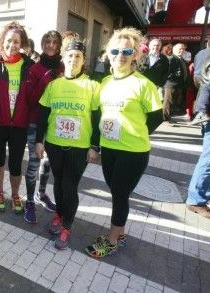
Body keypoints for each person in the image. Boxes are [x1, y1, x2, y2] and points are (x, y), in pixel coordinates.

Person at [85, 27, 163, 258]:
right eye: (116, 50)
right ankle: (118, 232)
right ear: (108, 53)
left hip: (133, 151)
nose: (121, 55)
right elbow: (99, 115)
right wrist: (96, 145)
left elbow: (157, 117)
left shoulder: (143, 84)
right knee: (116, 192)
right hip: (110, 149)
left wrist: (137, 133)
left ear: (136, 55)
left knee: (119, 194)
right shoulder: (106, 82)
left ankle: (111, 240)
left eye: (127, 51)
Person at [35, 40, 100, 249]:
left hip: (79, 147)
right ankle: (60, 214)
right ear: (63, 58)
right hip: (54, 144)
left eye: (78, 57)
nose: (73, 60)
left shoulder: (92, 86)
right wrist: (39, 141)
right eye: (70, 56)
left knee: (70, 186)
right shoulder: (54, 85)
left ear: (83, 61)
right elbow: (43, 114)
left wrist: (94, 146)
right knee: (60, 183)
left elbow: (98, 117)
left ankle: (67, 226)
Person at [0, 21, 34, 214]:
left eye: (16, 41)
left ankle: (15, 194)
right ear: (2, 41)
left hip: (20, 124)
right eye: (9, 41)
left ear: (21, 43)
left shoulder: (29, 65)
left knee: (16, 163)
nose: (12, 45)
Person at [24, 30, 63, 224]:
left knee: (47, 162)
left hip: (54, 123)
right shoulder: (35, 68)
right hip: (34, 121)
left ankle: (41, 194)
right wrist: (45, 80)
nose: (50, 45)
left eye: (55, 42)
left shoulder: (64, 66)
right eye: (47, 41)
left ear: (59, 45)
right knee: (33, 163)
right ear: (42, 44)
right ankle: (29, 201)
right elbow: (30, 100)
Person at [163, 43, 187, 122]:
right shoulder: (171, 58)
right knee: (167, 102)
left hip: (177, 84)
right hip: (170, 84)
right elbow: (166, 71)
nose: (182, 50)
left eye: (183, 49)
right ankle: (165, 119)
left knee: (173, 102)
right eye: (180, 49)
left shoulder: (181, 59)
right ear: (174, 50)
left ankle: (169, 117)